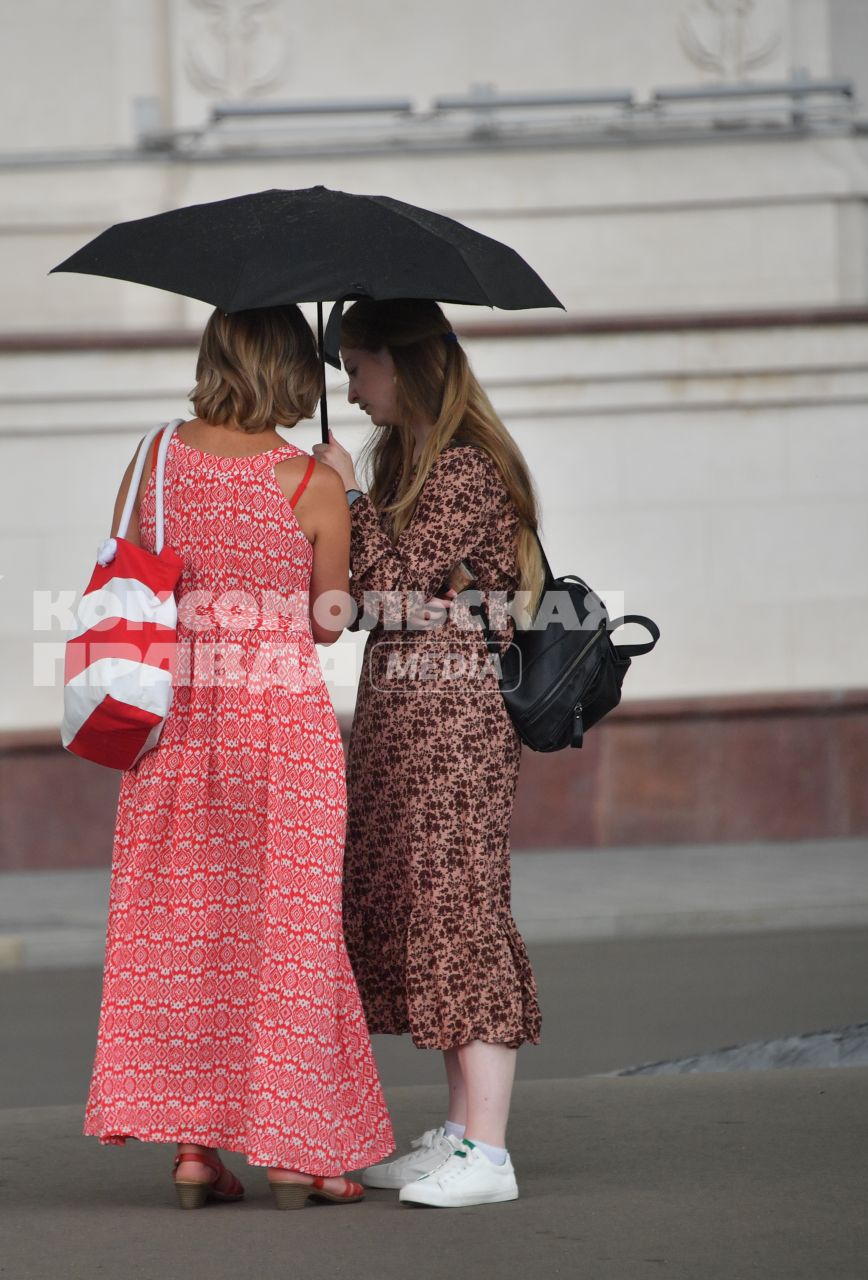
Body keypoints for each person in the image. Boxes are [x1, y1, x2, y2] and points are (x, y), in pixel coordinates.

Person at [82, 306, 393, 1210]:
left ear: (215, 354)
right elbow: (328, 623)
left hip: (173, 724)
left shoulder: (153, 461)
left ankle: (194, 1149)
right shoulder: (309, 482)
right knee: (291, 938)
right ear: (295, 370)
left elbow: (119, 577)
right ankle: (299, 1153)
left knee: (189, 932)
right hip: (283, 731)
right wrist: (336, 486)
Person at [314, 298, 546, 1208]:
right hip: (411, 712)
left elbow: (375, 580)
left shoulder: (465, 469)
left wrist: (345, 492)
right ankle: (459, 1132)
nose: (351, 390)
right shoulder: (419, 461)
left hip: (455, 719)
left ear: (404, 366)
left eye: (359, 369)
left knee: (460, 908)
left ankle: (488, 1152)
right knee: (425, 903)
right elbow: (375, 602)